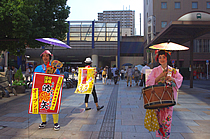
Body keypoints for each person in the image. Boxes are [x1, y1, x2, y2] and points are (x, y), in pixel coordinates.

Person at [146, 50, 183, 139]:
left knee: (167, 118)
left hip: (168, 98)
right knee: (158, 118)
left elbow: (179, 79)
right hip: (158, 98)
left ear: (167, 58)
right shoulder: (155, 70)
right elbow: (148, 82)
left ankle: (165, 137)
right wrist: (160, 76)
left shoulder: (172, 70)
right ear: (158, 59)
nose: (162, 59)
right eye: (160, 57)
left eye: (164, 57)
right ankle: (160, 136)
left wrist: (172, 79)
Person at [33, 50, 61, 131]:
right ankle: (43, 121)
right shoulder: (38, 68)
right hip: (42, 91)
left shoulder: (55, 68)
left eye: (47, 56)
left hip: (51, 90)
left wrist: (53, 73)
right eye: (44, 56)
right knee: (42, 105)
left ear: (50, 57)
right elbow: (34, 78)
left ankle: (56, 123)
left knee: (53, 105)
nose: (45, 57)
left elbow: (58, 78)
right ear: (42, 58)